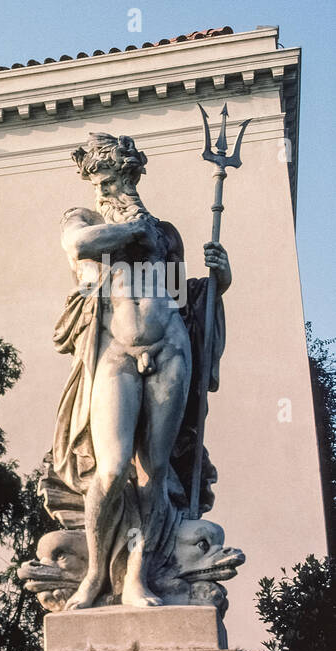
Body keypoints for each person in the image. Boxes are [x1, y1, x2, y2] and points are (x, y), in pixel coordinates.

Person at [51, 132, 230, 609]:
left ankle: (136, 578)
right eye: (95, 181)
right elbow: (78, 244)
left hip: (170, 348)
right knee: (110, 471)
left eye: (108, 180)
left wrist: (219, 283)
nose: (100, 191)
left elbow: (179, 296)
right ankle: (93, 573)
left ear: (129, 176)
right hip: (115, 351)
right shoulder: (84, 218)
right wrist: (132, 232)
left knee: (155, 471)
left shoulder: (166, 232)